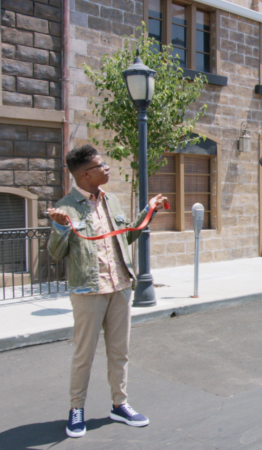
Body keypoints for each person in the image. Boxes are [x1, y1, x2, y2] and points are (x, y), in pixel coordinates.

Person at [47, 145, 167, 438]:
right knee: (83, 354)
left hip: (120, 286)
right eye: (102, 165)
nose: (107, 168)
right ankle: (77, 410)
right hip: (88, 291)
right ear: (85, 174)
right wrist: (59, 228)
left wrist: (149, 208)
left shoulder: (111, 201)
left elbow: (127, 235)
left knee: (119, 352)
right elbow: (54, 254)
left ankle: (120, 404)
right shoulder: (66, 207)